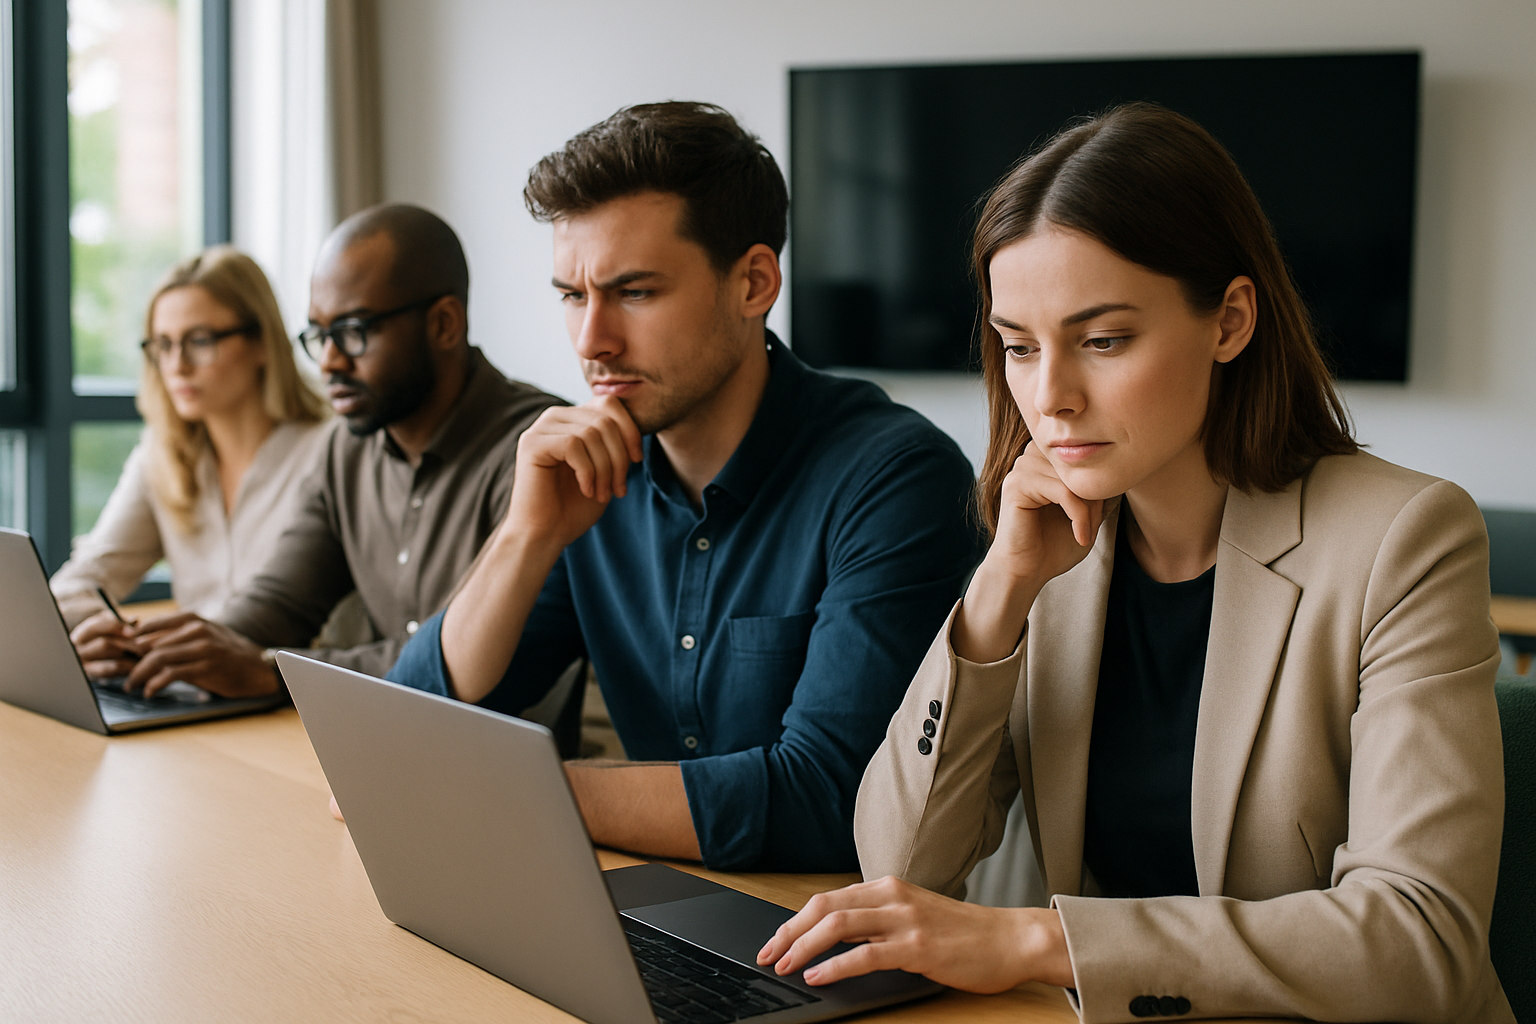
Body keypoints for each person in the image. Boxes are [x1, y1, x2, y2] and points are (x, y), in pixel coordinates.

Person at [758, 103, 1513, 1022]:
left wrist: (1041, 941)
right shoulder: (1050, 545)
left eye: (1104, 340)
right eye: (1019, 347)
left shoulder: (1405, 537)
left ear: (1230, 321)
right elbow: (902, 869)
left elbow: (1417, 941)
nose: (1049, 397)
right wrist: (999, 591)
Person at [386, 102, 981, 872]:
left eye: (634, 292)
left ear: (754, 283)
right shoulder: (589, 480)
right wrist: (524, 537)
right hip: (655, 903)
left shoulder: (897, 478)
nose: (592, 341)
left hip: (831, 933)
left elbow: (833, 801)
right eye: (572, 295)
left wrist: (517, 789)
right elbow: (406, 733)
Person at [114, 203, 564, 698]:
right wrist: (155, 650)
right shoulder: (347, 449)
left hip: (501, 759)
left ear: (443, 324)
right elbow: (280, 604)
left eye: (352, 332)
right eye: (319, 334)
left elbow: (475, 668)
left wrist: (270, 672)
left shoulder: (539, 453)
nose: (329, 360)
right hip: (377, 743)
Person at [54, 246, 329, 678]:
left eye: (200, 341)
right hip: (194, 690)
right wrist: (97, 631)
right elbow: (84, 578)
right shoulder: (161, 456)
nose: (177, 366)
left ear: (262, 343)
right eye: (163, 345)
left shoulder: (330, 450)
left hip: (296, 697)